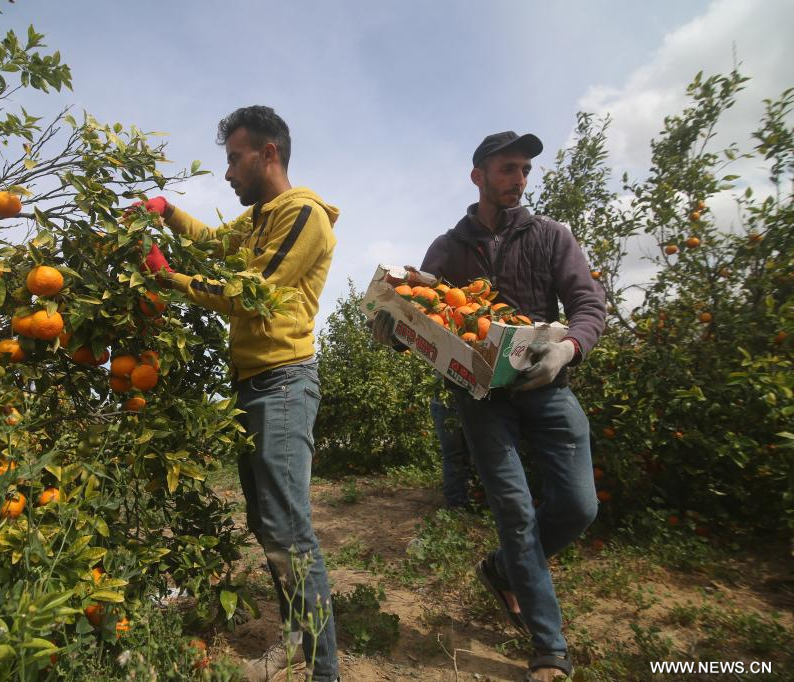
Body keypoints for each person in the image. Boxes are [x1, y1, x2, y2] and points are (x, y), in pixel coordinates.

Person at [372, 131, 605, 681]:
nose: (519, 180)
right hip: (481, 397)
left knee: (578, 506)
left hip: (546, 386)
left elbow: (588, 303)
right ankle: (549, 648)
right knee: (515, 511)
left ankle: (503, 569)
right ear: (477, 176)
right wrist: (395, 330)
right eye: (507, 169)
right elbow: (424, 321)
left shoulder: (551, 236)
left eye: (524, 170)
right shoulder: (449, 248)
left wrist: (569, 348)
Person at [139, 105, 340, 682]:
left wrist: (168, 279)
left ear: (268, 154)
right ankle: (299, 639)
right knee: (266, 522)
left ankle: (325, 671)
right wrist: (167, 213)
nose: (227, 174)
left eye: (234, 159)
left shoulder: (303, 216)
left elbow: (249, 293)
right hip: (252, 384)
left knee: (289, 527)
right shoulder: (257, 221)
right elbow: (210, 243)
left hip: (283, 382)